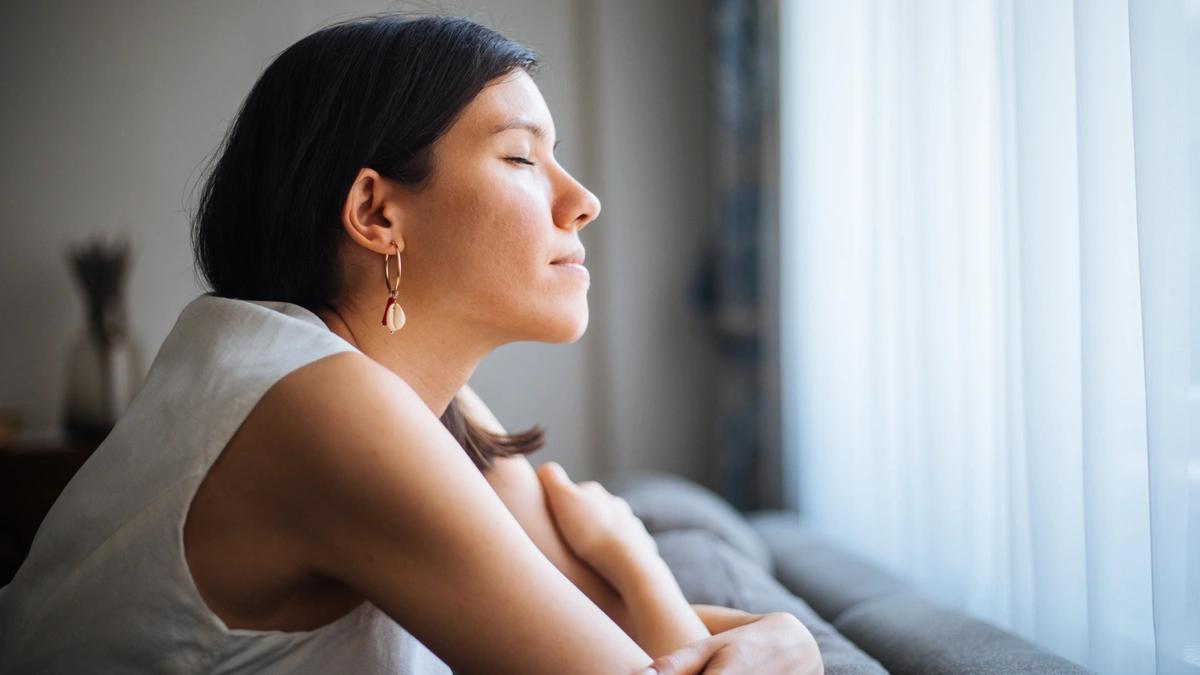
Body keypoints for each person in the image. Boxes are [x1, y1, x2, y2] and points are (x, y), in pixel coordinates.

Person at [0, 13, 822, 674]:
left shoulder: (420, 399)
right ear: (377, 214)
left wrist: (784, 632)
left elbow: (599, 625)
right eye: (520, 157)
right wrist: (641, 564)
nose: (584, 200)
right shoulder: (318, 406)